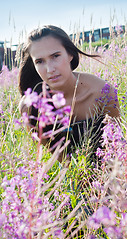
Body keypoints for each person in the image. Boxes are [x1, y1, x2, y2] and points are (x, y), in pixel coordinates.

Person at [18, 25, 120, 163]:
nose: (49, 69)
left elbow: (118, 143)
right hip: (70, 173)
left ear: (70, 54)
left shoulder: (102, 91)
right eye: (40, 61)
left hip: (111, 168)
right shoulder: (31, 106)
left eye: (55, 56)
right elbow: (60, 158)